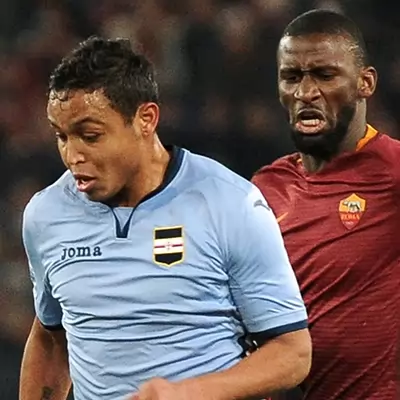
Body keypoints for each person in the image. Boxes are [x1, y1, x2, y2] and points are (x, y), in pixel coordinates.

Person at [19, 36, 311, 400]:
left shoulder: (230, 202)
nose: (72, 155)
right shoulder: (45, 215)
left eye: (90, 136)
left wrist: (189, 392)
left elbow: (292, 353)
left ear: (146, 119)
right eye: (61, 136)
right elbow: (51, 339)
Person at [252, 9, 400, 400]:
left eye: (324, 75)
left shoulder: (393, 173)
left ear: (365, 83)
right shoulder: (264, 187)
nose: (305, 92)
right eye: (292, 77)